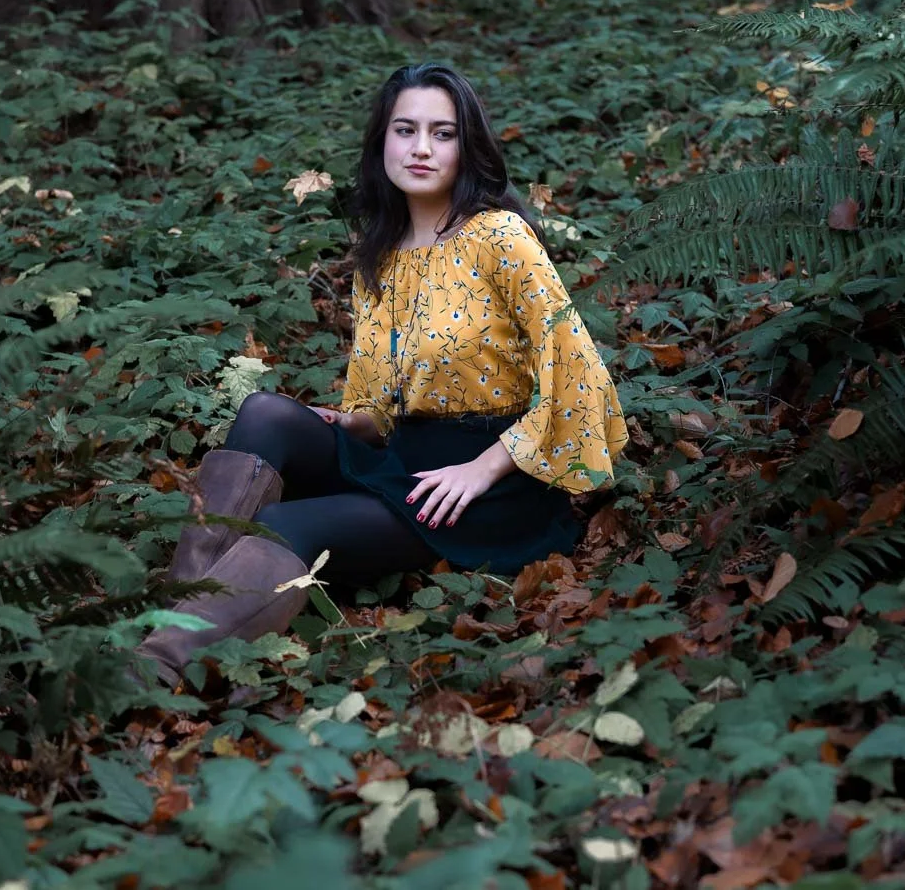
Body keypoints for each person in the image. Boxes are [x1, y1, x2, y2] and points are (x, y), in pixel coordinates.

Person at [134, 62, 628, 685]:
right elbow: (382, 409)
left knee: (285, 524)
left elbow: (579, 376)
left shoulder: (500, 238)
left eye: (442, 133)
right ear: (382, 142)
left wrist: (484, 467)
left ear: (467, 146)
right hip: (407, 460)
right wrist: (345, 422)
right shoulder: (382, 252)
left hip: (483, 487)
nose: (422, 148)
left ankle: (157, 670)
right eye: (406, 129)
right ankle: (175, 609)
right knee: (265, 412)